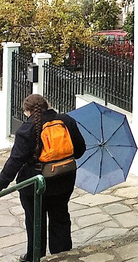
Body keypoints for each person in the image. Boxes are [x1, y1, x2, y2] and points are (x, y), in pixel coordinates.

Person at [0, 94, 86, 262]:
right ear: (48, 104)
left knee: (35, 222)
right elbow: (80, 150)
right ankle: (62, 255)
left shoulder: (27, 129)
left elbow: (14, 163)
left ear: (27, 111)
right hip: (64, 179)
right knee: (60, 217)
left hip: (36, 185)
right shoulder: (66, 120)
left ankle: (34, 256)